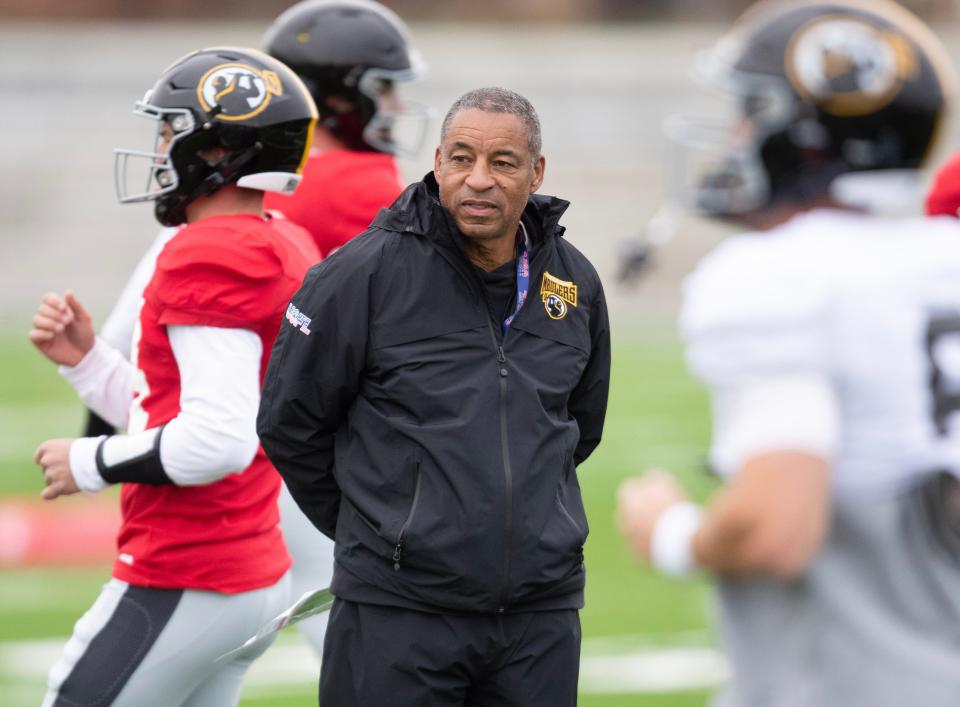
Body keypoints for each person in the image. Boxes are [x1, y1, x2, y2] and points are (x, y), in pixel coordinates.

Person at [616, 1, 960, 706]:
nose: (738, 135)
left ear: (807, 135)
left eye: (755, 112)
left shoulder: (779, 276)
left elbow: (776, 527)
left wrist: (674, 533)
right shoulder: (943, 258)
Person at [82, 0, 430, 660]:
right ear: (333, 95)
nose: (398, 108)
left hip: (258, 444)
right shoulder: (360, 182)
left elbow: (129, 313)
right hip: (328, 447)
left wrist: (102, 419)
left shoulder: (239, 193)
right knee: (366, 633)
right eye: (383, 88)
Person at [257, 86, 611, 706]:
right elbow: (291, 422)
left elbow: (579, 425)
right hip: (397, 613)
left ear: (536, 172)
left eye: (502, 162)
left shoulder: (572, 281)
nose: (479, 180)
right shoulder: (361, 273)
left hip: (539, 616)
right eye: (461, 158)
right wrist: (384, 531)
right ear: (438, 160)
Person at [30, 47, 319, 706]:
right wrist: (89, 362)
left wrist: (91, 458)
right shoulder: (279, 238)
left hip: (191, 567)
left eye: (170, 132)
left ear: (219, 150)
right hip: (250, 567)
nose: (160, 150)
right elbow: (185, 406)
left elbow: (218, 438)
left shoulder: (213, 250)